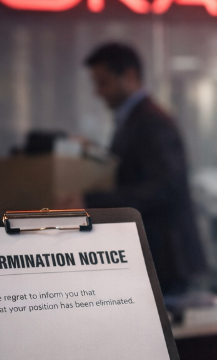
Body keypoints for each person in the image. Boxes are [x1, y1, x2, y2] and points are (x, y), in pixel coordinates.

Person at [77, 42, 206, 295]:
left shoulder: (151, 121)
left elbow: (165, 186)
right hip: (157, 255)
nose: (98, 93)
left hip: (166, 259)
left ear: (130, 76)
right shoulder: (136, 118)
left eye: (103, 83)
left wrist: (90, 201)